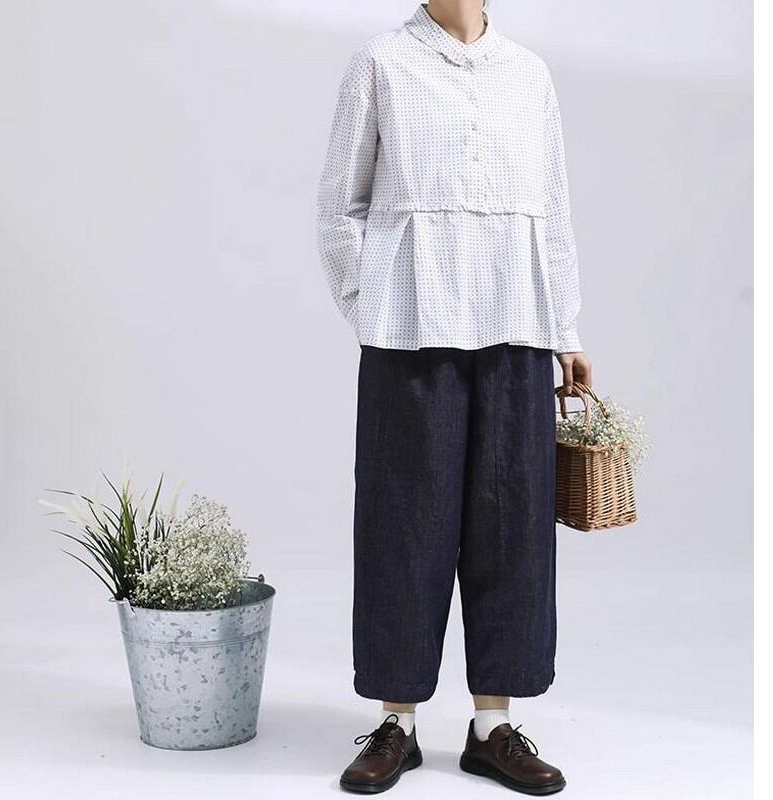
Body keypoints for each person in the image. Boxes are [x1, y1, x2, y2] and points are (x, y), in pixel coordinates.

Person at [316, 1, 592, 794]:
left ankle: (491, 727)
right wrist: (371, 299)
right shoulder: (381, 63)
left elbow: (554, 210)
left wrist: (566, 328)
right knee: (404, 521)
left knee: (513, 526)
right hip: (410, 329)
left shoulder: (528, 74)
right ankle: (396, 724)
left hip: (517, 324)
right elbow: (339, 204)